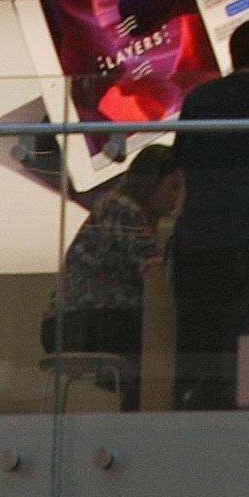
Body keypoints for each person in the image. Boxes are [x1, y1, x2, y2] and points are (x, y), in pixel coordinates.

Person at [169, 17, 249, 409]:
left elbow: (182, 169)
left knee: (197, 346)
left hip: (198, 240)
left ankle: (193, 419)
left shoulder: (199, 98)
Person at [42, 144, 183, 410]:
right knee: (170, 342)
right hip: (79, 323)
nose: (176, 199)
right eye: (173, 187)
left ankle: (140, 413)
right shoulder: (122, 208)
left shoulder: (121, 208)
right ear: (152, 181)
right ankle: (146, 416)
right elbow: (152, 266)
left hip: (75, 322)